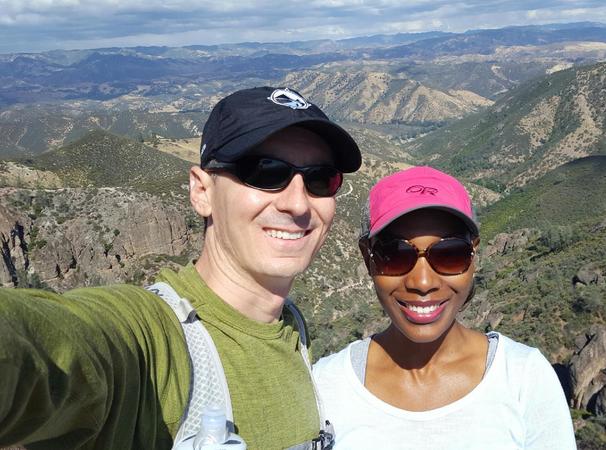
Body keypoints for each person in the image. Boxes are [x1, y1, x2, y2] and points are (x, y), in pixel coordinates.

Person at [0, 86, 361, 449]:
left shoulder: (292, 329)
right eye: (265, 172)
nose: (298, 203)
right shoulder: (153, 340)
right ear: (201, 191)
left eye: (320, 179)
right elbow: (40, 347)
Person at [312, 166, 576, 449]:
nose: (423, 282)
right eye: (395, 255)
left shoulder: (525, 378)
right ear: (368, 258)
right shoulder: (325, 386)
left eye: (450, 253)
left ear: (474, 256)